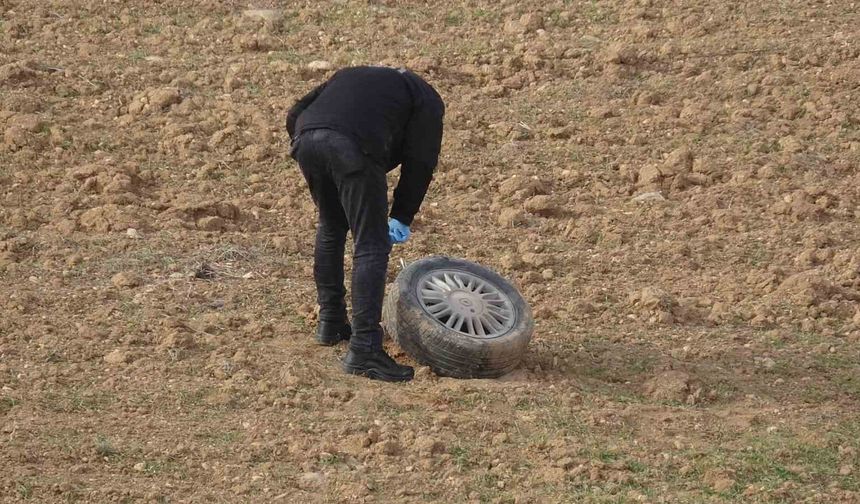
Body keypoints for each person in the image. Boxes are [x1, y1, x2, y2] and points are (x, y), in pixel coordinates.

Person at [286, 66, 445, 382]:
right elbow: (420, 162)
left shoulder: (353, 76)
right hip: (353, 146)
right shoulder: (428, 101)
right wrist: (401, 215)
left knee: (331, 226)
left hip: (307, 137)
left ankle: (331, 322)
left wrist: (303, 142)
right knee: (371, 244)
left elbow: (296, 111)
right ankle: (364, 349)